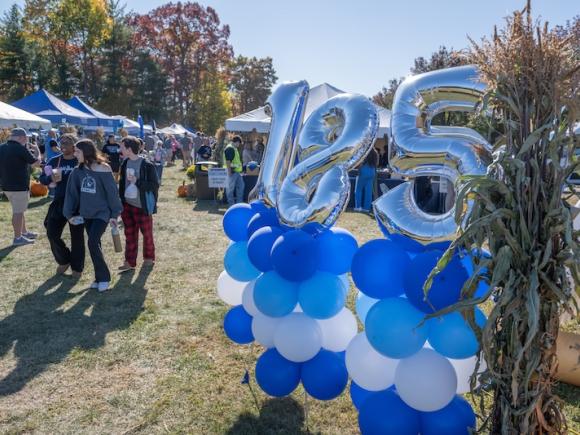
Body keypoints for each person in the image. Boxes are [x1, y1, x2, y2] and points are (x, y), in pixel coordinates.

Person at [63, 139, 122, 292]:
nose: (74, 154)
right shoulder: (77, 171)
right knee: (96, 245)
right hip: (87, 214)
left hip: (102, 214)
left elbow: (112, 193)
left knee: (92, 242)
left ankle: (104, 278)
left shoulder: (104, 168)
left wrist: (115, 214)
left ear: (86, 152)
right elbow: (71, 194)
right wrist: (69, 215)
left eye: (77, 151)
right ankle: (98, 278)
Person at [39, 133, 85, 276]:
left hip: (78, 204)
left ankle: (77, 268)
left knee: (77, 236)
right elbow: (42, 178)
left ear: (74, 145)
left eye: (67, 142)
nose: (63, 145)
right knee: (51, 232)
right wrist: (49, 178)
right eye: (62, 142)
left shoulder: (80, 161)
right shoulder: (54, 160)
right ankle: (64, 259)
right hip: (59, 201)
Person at [117, 136, 159, 272]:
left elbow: (154, 185)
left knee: (146, 234)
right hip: (127, 205)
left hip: (142, 206)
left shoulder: (147, 165)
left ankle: (148, 258)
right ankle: (129, 261)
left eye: (122, 147)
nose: (120, 149)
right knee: (129, 234)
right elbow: (122, 184)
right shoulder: (124, 163)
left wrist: (138, 181)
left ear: (129, 149)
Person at [0, 128, 42, 245]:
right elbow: (36, 163)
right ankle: (17, 238)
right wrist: (37, 150)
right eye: (26, 138)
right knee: (18, 212)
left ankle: (23, 232)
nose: (27, 140)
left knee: (19, 210)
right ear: (21, 138)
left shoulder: (2, 147)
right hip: (19, 186)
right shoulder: (20, 148)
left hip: (6, 185)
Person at [354, 148, 378, 212]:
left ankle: (358, 206)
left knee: (358, 190)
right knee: (368, 192)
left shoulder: (364, 151)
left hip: (364, 171)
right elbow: (376, 164)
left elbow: (360, 162)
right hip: (372, 171)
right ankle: (366, 208)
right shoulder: (375, 153)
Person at [224, 136, 244, 206]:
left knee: (241, 186)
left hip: (236, 172)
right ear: (237, 142)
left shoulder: (234, 148)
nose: (239, 145)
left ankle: (239, 204)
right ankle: (231, 205)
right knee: (230, 189)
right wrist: (229, 172)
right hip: (231, 172)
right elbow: (228, 162)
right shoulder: (230, 148)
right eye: (239, 143)